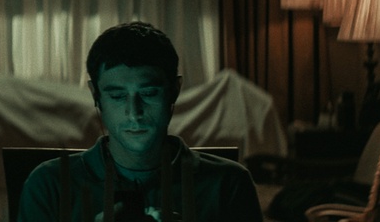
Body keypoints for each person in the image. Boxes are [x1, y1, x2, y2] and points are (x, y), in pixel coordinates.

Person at [18, 21, 263, 221]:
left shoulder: (229, 183)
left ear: (174, 91)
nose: (134, 113)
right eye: (117, 96)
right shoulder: (49, 185)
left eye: (149, 93)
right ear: (96, 96)